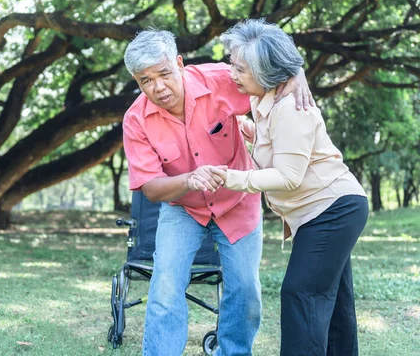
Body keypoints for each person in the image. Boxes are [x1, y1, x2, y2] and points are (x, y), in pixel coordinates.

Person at [122, 29, 313, 356]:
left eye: (164, 74)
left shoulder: (221, 79)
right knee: (165, 287)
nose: (158, 87)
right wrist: (189, 180)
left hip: (239, 202)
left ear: (179, 63)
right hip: (183, 208)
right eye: (145, 80)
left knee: (245, 291)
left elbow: (274, 65)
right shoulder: (136, 120)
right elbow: (151, 188)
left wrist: (298, 76)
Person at [213, 19, 368, 356]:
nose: (232, 74)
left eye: (240, 69)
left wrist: (231, 178)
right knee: (337, 304)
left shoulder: (290, 109)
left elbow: (288, 177)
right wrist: (256, 137)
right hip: (322, 210)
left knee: (300, 294)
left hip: (331, 209)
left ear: (267, 73)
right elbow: (283, 152)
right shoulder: (262, 99)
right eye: (232, 64)